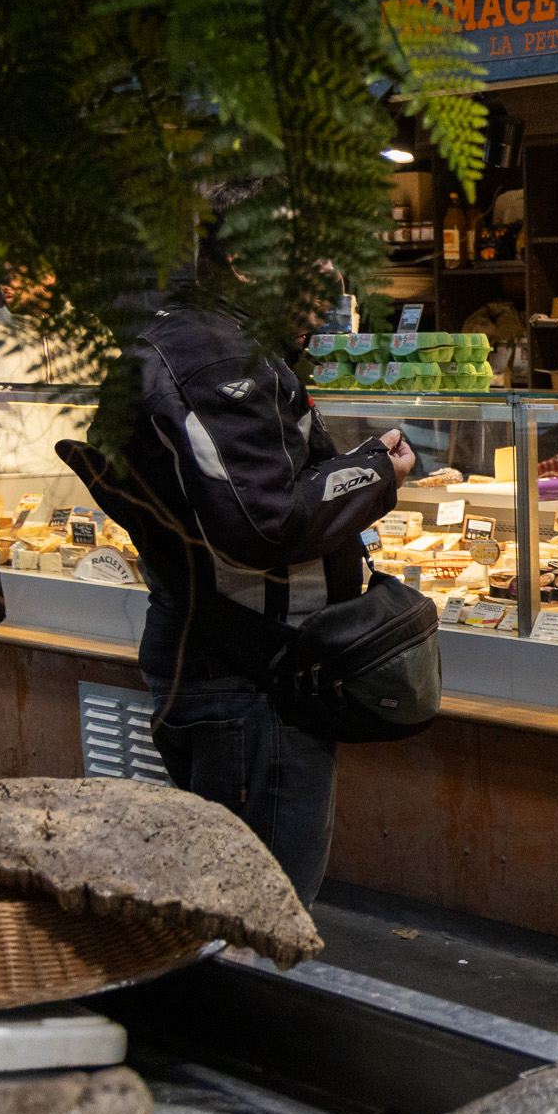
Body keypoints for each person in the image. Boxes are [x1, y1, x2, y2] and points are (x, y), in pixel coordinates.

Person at [73, 264, 414, 906]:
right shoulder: (211, 355)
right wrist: (376, 476)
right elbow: (265, 524)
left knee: (237, 901)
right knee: (258, 913)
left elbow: (242, 496)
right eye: (319, 274)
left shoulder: (210, 340)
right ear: (249, 259)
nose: (331, 303)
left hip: (240, 668)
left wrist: (351, 467)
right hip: (250, 680)